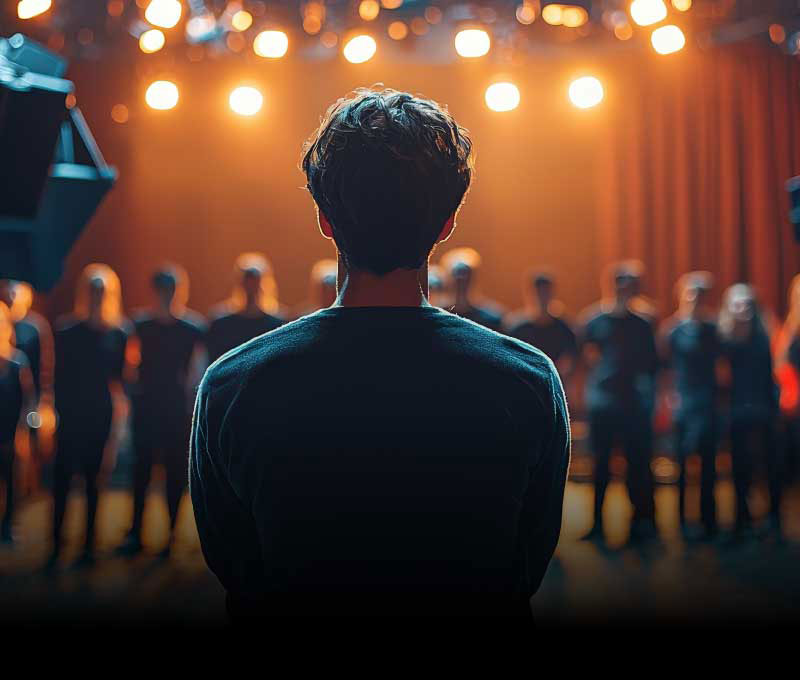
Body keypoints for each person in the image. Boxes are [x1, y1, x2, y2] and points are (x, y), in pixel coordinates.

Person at [190, 88, 570, 619]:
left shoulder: (233, 384)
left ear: (325, 219)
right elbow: (525, 567)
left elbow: (235, 565)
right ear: (446, 224)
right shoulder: (526, 381)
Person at [118, 264, 206, 558]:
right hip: (148, 407)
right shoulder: (140, 325)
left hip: (175, 410)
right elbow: (128, 366)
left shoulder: (192, 328)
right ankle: (137, 532)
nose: (168, 295)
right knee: (140, 471)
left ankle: (169, 533)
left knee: (173, 474)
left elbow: (197, 371)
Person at [49, 265, 129, 568]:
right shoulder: (67, 331)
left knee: (96, 479)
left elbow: (120, 380)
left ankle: (89, 544)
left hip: (101, 412)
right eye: (93, 290)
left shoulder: (118, 333)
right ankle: (57, 541)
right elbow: (57, 377)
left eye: (102, 290)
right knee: (63, 478)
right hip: (71, 412)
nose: (97, 296)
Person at [580, 262, 659, 545]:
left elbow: (652, 364)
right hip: (604, 402)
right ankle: (597, 524)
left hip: (634, 403)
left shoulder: (644, 323)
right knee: (600, 466)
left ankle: (642, 523)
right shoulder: (594, 320)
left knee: (637, 465)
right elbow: (586, 357)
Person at [661, 272, 720, 538]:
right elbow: (663, 368)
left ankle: (709, 521)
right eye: (690, 294)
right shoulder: (672, 330)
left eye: (699, 295)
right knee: (683, 465)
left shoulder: (713, 330)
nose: (695, 300)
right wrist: (667, 398)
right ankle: (683, 522)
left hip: (707, 403)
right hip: (682, 402)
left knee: (708, 464)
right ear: (682, 296)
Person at [718, 283, 781, 537]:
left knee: (770, 467)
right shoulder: (724, 339)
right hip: (736, 413)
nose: (742, 309)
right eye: (737, 304)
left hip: (763, 410)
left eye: (747, 304)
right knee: (740, 468)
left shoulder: (764, 337)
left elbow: (771, 376)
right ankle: (741, 519)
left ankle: (773, 519)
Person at [206, 253, 286, 364]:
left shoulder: (278, 324)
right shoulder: (220, 324)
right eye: (247, 284)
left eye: (254, 284)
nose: (251, 290)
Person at [0, 302, 34, 544]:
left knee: (11, 480)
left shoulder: (17, 362)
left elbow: (26, 401)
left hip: (10, 435)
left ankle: (7, 526)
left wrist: (21, 432)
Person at [504, 271, 578, 378]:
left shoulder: (565, 328)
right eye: (539, 292)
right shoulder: (516, 328)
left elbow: (570, 363)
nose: (542, 297)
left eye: (545, 292)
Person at [440, 247, 504, 331]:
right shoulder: (438, 315)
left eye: (466, 276)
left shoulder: (492, 318)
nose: (461, 279)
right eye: (457, 278)